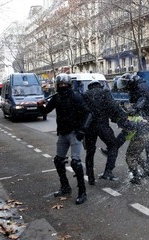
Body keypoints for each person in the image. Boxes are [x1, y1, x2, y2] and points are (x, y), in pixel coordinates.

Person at [37, 73, 92, 205]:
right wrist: (40, 105)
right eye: (60, 84)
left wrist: (82, 130)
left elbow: (88, 113)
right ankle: (65, 187)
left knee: (76, 163)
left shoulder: (75, 96)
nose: (62, 86)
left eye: (65, 84)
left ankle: (82, 192)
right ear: (57, 85)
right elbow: (45, 112)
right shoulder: (56, 98)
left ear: (69, 85)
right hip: (62, 133)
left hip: (74, 133)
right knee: (58, 160)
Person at [82, 80, 130, 184]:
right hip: (102, 125)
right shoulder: (104, 92)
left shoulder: (85, 94)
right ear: (100, 85)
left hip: (89, 127)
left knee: (90, 151)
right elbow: (114, 106)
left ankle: (90, 176)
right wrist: (124, 116)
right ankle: (108, 171)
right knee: (113, 146)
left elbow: (80, 111)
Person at [116, 73, 149, 170]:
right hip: (142, 113)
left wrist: (135, 109)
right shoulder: (133, 87)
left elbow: (143, 99)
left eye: (126, 86)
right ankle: (144, 162)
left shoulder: (141, 87)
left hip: (148, 114)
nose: (125, 89)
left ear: (130, 82)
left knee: (147, 140)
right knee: (142, 136)